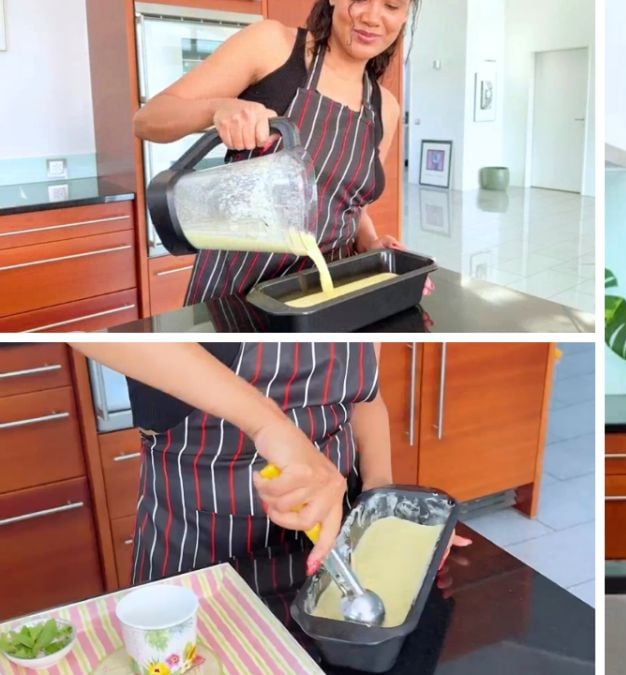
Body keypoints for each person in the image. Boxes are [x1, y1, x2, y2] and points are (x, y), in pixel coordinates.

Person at [72, 342, 468, 588]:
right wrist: (267, 421)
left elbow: (363, 397)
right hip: (200, 549)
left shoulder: (353, 278)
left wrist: (380, 505)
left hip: (336, 541)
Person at [133, 0, 422, 304]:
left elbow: (350, 203)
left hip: (331, 294)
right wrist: (218, 108)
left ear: (405, 15)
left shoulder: (384, 108)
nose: (372, 17)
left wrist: (371, 244)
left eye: (391, 5)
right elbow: (147, 120)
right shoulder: (273, 47)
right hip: (239, 291)